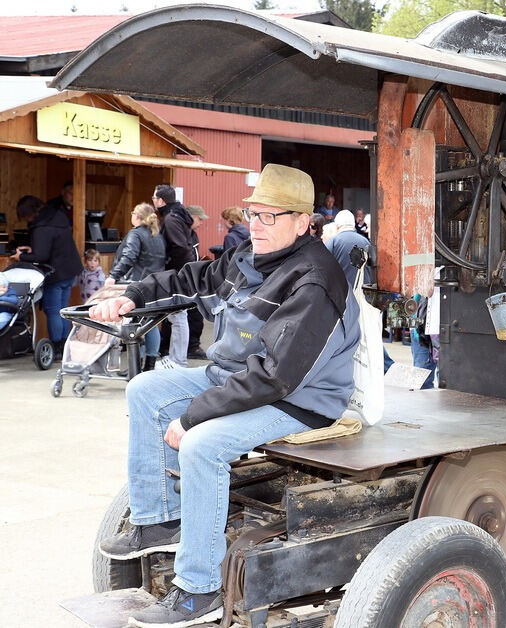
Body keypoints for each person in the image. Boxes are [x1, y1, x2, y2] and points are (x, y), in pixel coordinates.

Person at [92, 164, 360, 627]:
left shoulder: (314, 280)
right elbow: (193, 278)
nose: (255, 224)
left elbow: (274, 377)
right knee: (145, 391)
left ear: (303, 222)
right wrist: (134, 293)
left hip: (298, 400)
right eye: (253, 212)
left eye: (269, 216)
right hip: (238, 377)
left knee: (201, 444)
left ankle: (199, 591)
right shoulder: (249, 256)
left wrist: (194, 417)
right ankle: (160, 520)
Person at [10, 195, 83, 354]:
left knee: (53, 310)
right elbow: (51, 246)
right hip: (69, 271)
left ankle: (55, 346)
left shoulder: (41, 227)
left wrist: (21, 257)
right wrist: (32, 250)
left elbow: (42, 256)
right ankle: (64, 345)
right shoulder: (57, 216)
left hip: (54, 273)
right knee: (63, 309)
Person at [106, 203, 167, 372]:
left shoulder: (136, 234)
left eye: (133, 213)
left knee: (136, 325)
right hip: (155, 283)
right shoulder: (157, 235)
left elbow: (129, 257)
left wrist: (114, 276)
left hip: (137, 283)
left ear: (138, 217)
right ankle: (150, 364)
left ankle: (137, 364)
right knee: (150, 323)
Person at [153, 184, 194, 368]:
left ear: (161, 201)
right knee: (177, 316)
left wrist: (175, 273)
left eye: (154, 198)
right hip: (180, 272)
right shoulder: (178, 214)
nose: (153, 201)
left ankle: (178, 359)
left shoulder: (171, 219)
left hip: (177, 273)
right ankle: (177, 358)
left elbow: (181, 248)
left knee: (178, 316)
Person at [184, 205, 209, 360]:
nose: (201, 222)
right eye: (199, 219)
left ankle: (193, 345)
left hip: (194, 278)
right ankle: (191, 347)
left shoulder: (193, 234)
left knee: (195, 313)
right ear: (191, 217)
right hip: (188, 280)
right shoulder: (185, 234)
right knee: (192, 314)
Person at [326, 210, 374, 286]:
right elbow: (372, 267)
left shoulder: (333, 242)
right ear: (353, 223)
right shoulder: (365, 241)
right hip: (363, 291)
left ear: (337, 225)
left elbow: (324, 268)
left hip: (342, 291)